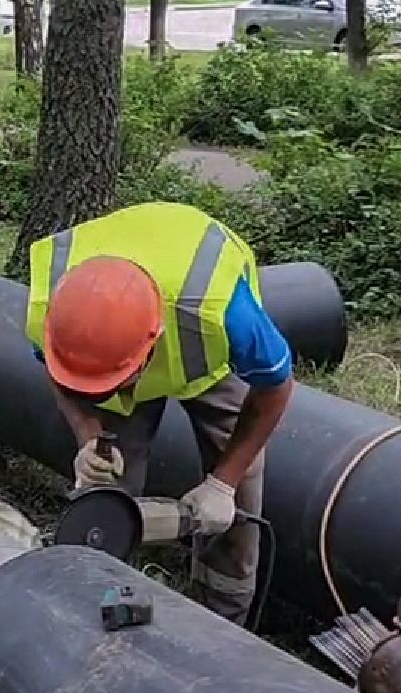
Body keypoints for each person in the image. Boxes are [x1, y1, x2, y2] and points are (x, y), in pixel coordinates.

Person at [23, 202, 296, 625]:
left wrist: (223, 483)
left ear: (155, 341)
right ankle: (96, 603)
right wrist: (88, 436)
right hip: (120, 343)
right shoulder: (55, 309)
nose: (109, 393)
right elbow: (59, 374)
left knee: (238, 503)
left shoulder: (224, 312)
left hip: (207, 362)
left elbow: (276, 387)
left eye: (114, 380)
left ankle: (223, 626)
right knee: (106, 485)